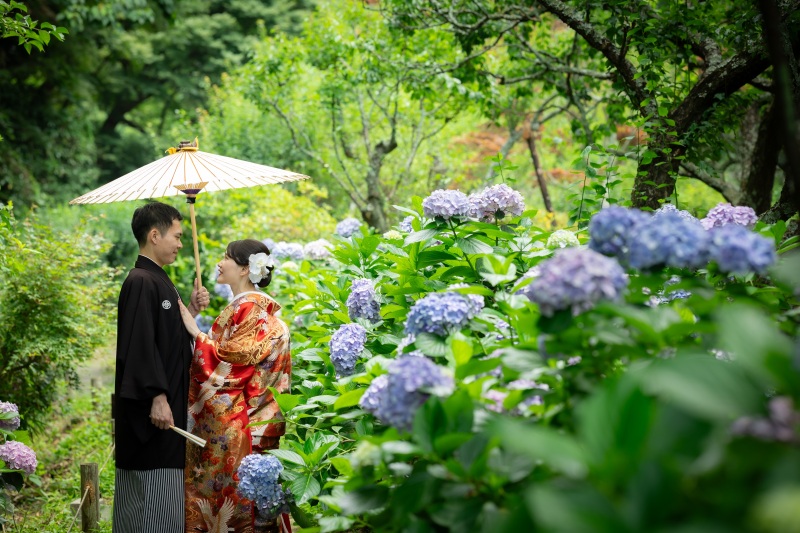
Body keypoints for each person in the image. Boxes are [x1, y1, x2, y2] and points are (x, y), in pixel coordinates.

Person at [178, 239, 291, 533]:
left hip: (246, 425)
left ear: (244, 269)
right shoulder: (249, 308)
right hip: (255, 422)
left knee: (246, 511)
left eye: (226, 257)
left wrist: (196, 332)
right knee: (257, 509)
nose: (220, 263)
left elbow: (231, 362)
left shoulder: (250, 308)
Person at [113, 202, 210, 533]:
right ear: (155, 235)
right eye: (177, 236)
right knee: (148, 504)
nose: (181, 244)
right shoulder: (141, 280)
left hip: (168, 408)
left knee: (163, 504)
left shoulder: (158, 279)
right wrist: (156, 396)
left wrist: (191, 311)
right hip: (153, 415)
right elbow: (139, 345)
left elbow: (165, 339)